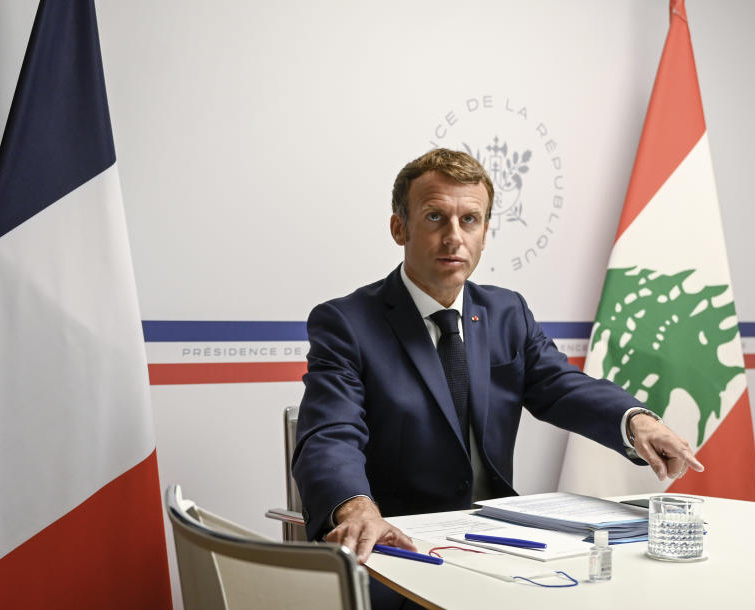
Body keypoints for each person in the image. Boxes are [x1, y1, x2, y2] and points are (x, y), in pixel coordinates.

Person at [291, 148, 704, 574]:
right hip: (398, 544)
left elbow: (562, 386)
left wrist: (636, 421)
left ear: (485, 232)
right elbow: (330, 434)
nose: (454, 236)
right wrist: (356, 508)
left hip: (501, 544)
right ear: (399, 227)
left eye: (469, 220)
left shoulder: (508, 313)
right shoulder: (347, 323)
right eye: (435, 217)